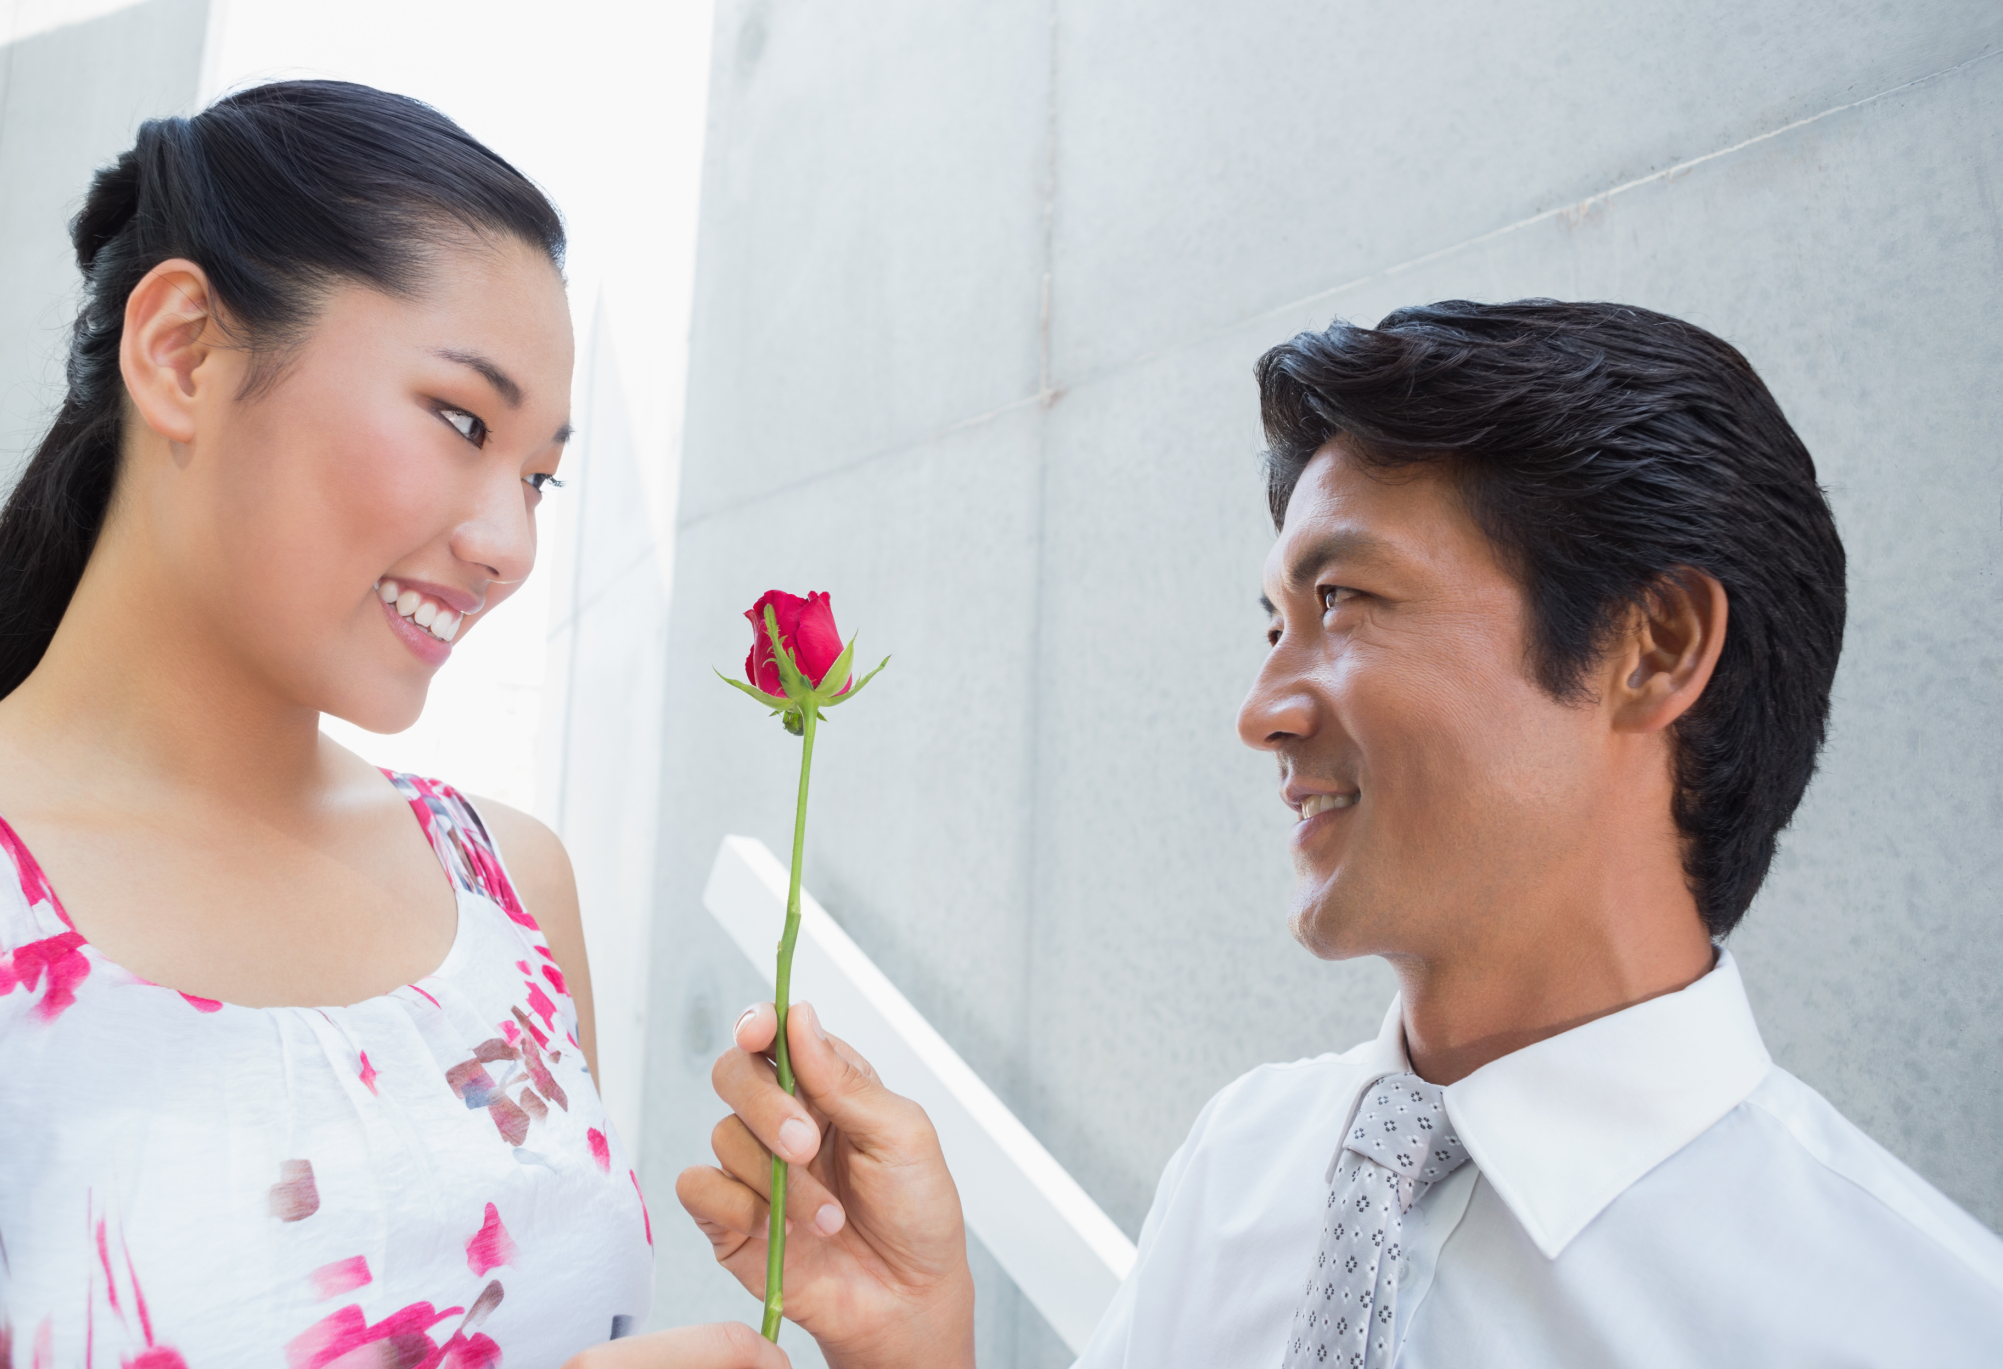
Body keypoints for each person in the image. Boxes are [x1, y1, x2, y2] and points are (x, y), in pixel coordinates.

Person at [680, 301, 2003, 1366]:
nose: (1260, 709)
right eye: (1274, 624)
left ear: (1649, 647)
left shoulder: (1911, 1322)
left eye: (1345, 600)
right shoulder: (1244, 1160)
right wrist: (910, 1344)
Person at [0, 81, 785, 1368]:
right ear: (184, 350)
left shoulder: (512, 889)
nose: (510, 542)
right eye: (462, 420)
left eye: (539, 475)